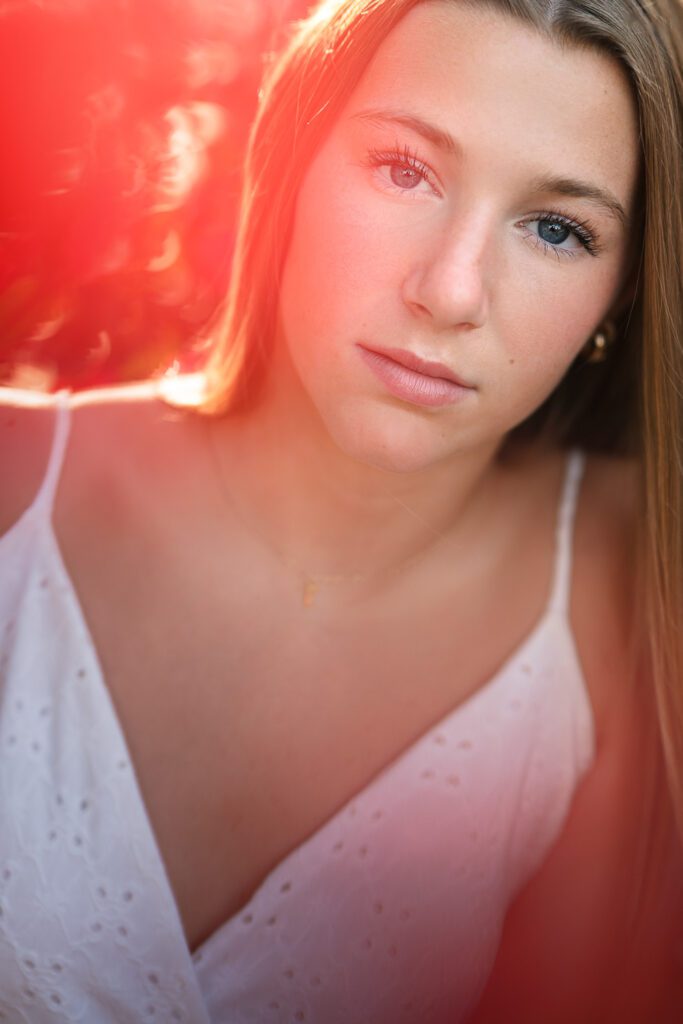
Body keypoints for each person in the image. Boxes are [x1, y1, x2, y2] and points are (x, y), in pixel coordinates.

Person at [0, 0, 682, 1021]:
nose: (451, 290)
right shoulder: (17, 484)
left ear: (621, 295)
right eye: (403, 169)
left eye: (555, 228)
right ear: (293, 158)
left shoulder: (618, 585)